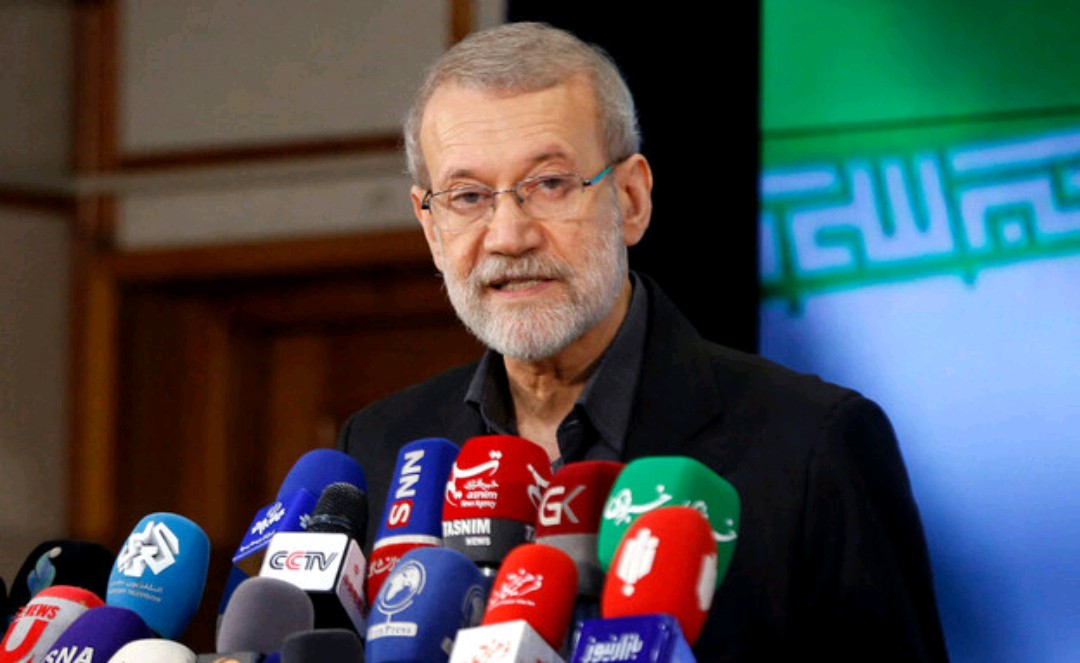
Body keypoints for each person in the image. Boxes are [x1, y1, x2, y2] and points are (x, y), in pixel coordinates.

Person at [338, 21, 948, 661]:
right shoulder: (380, 448)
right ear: (431, 228)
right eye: (468, 197)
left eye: (550, 184)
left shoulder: (814, 445)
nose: (509, 236)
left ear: (631, 199)